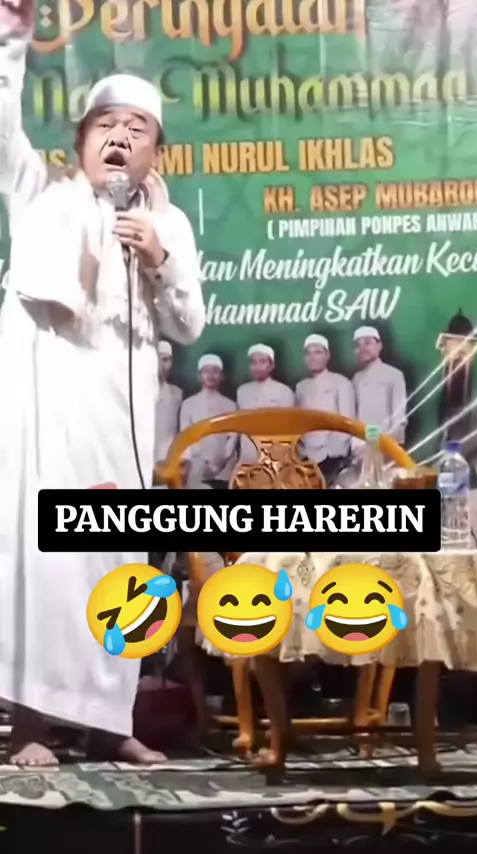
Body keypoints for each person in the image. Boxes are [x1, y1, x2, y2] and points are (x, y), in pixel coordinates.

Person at [0, 0, 204, 766]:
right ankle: (29, 726)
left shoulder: (168, 224)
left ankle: (111, 720)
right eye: (106, 126)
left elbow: (189, 325)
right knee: (45, 565)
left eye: (137, 129)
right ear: (80, 142)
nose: (120, 137)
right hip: (46, 413)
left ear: (156, 151)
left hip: (122, 417)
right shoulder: (40, 196)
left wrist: (159, 258)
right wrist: (10, 41)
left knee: (117, 561)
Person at [295, 334, 355, 480]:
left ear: (327, 356)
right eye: (308, 353)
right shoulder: (301, 387)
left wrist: (331, 451)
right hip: (305, 457)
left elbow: (347, 422)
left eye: (318, 352)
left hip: (333, 457)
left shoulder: (341, 383)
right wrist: (302, 452)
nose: (312, 357)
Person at [180, 354, 237, 488]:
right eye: (206, 371)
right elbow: (186, 436)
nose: (211, 376)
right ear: (199, 376)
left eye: (215, 371)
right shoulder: (188, 404)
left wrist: (219, 462)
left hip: (224, 470)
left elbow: (233, 437)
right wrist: (204, 461)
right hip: (196, 468)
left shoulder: (230, 405)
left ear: (221, 376)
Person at [237, 344, 294, 462]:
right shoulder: (242, 391)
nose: (257, 367)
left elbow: (287, 430)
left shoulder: (284, 391)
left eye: (262, 362)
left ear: (271, 366)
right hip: (247, 457)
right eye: (253, 362)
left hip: (274, 459)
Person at [352, 326, 407, 446]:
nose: (362, 349)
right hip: (360, 445)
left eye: (367, 343)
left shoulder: (394, 374)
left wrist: (388, 444)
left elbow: (399, 417)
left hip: (386, 444)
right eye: (358, 345)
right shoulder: (357, 378)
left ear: (379, 346)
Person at [154, 340, 183, 464]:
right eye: (158, 359)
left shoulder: (177, 393)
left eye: (165, 360)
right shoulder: (136, 392)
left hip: (166, 459)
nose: (161, 365)